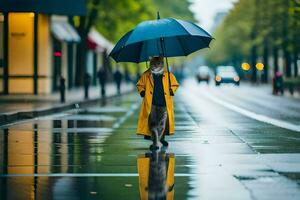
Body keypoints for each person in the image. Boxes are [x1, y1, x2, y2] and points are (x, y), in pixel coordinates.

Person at [136, 56, 179, 151]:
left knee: (162, 124)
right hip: (152, 104)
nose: (156, 66)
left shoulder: (168, 75)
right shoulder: (146, 75)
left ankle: (161, 138)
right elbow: (139, 85)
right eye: (154, 64)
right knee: (153, 124)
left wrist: (172, 90)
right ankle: (155, 142)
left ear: (162, 64)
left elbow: (175, 84)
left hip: (164, 104)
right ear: (150, 64)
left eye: (158, 64)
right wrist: (142, 91)